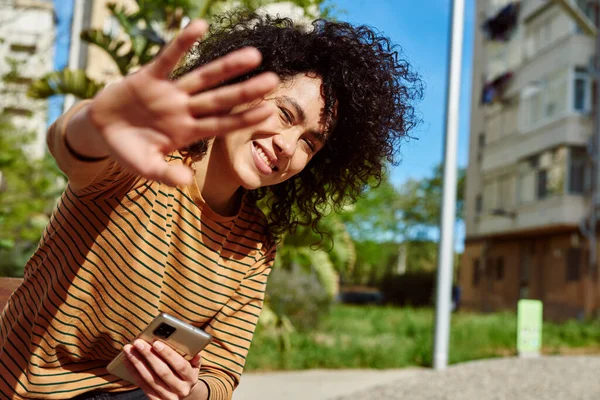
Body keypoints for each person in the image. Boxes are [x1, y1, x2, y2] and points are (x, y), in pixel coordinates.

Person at [0, 12, 422, 400]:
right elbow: (70, 145)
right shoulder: (141, 164)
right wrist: (97, 123)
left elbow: (221, 376)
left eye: (310, 143)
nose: (287, 146)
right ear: (238, 92)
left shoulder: (256, 243)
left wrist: (188, 387)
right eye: (285, 115)